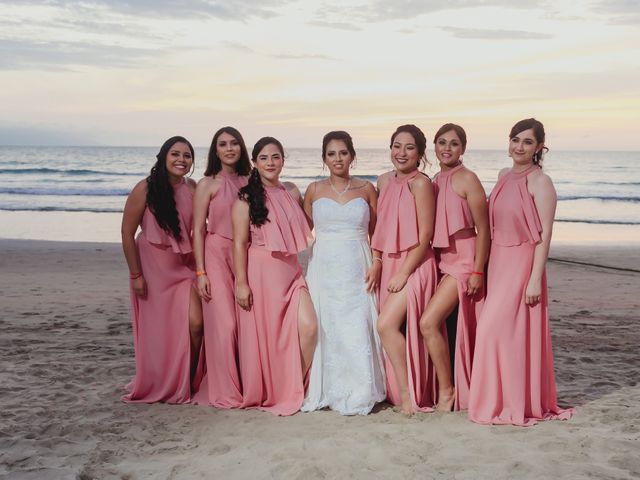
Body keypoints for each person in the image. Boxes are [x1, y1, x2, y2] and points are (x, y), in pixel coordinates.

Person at [468, 118, 575, 426]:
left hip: (523, 265)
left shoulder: (541, 182)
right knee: (499, 335)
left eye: (528, 142)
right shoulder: (503, 175)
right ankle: (496, 401)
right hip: (498, 262)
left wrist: (534, 280)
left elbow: (544, 237)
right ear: (508, 142)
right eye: (516, 139)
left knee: (496, 333)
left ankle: (512, 403)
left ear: (539, 148)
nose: (519, 146)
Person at [301, 130, 386, 416]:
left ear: (352, 155)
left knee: (358, 321)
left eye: (343, 152)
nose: (338, 158)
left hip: (358, 262)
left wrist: (376, 261)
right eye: (331, 153)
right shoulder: (313, 190)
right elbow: (300, 229)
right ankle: (328, 387)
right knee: (328, 323)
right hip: (324, 265)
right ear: (324, 158)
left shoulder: (366, 189)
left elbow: (378, 232)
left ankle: (362, 387)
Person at [232, 136, 318, 416]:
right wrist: (241, 283)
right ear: (255, 163)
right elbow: (238, 243)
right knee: (270, 337)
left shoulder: (292, 191)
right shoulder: (245, 198)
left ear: (283, 160)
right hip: (261, 274)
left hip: (292, 272)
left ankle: (293, 384)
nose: (271, 163)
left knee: (309, 328)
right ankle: (281, 389)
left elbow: (311, 225)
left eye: (276, 157)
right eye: (264, 158)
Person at [121, 136, 204, 403]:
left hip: (184, 266)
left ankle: (188, 377)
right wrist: (136, 275)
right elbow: (126, 232)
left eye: (187, 155)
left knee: (196, 322)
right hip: (153, 268)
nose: (181, 159)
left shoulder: (193, 188)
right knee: (160, 331)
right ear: (163, 157)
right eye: (175, 154)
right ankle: (164, 380)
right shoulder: (145, 188)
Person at [418, 124, 489, 411]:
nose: (447, 148)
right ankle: (441, 385)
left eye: (454, 144)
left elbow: (483, 229)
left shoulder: (468, 179)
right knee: (445, 326)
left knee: (428, 322)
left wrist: (478, 271)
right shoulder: (434, 180)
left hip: (464, 261)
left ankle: (447, 391)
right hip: (441, 260)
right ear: (434, 146)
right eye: (442, 142)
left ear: (463, 149)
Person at [371, 124, 439, 415]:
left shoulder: (421, 184)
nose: (401, 153)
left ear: (420, 154)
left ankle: (408, 394)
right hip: (389, 263)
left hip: (416, 265)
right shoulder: (383, 181)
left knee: (385, 325)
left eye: (409, 147)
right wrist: (377, 261)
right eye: (396, 146)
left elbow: (425, 237)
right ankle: (394, 391)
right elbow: (380, 227)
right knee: (390, 327)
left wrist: (404, 273)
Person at [192, 127, 251, 408]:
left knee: (244, 324)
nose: (229, 149)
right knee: (224, 325)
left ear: (242, 148)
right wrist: (200, 272)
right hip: (215, 254)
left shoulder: (252, 181)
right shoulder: (207, 184)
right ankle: (225, 390)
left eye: (234, 143)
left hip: (246, 255)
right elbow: (198, 231)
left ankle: (246, 384)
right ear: (215, 151)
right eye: (223, 144)